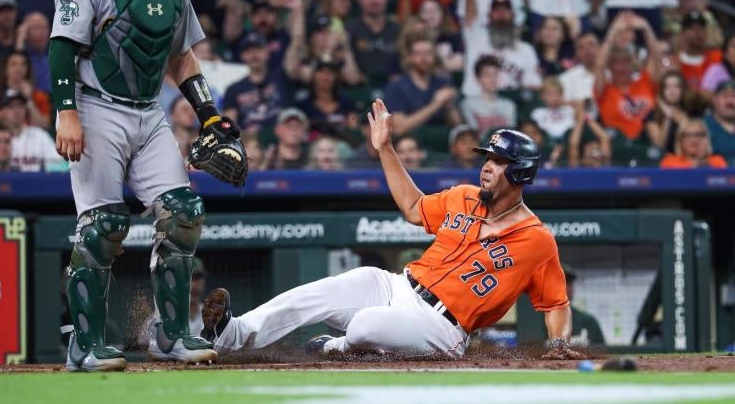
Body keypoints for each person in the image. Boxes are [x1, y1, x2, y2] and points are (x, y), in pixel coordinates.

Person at [199, 102, 581, 360]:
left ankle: (338, 346)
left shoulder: (537, 239)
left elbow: (556, 304)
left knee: (366, 323)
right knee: (323, 291)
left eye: (499, 162)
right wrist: (385, 149)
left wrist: (560, 342)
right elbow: (414, 208)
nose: (487, 166)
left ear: (520, 172)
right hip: (399, 286)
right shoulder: (463, 196)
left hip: (440, 327)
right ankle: (231, 333)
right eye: (488, 158)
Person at [49, 0, 247, 371]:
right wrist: (66, 111)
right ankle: (84, 344)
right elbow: (62, 46)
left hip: (148, 110)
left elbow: (181, 56)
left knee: (184, 212)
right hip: (94, 106)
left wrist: (208, 116)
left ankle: (169, 334)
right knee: (103, 225)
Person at [594, 11, 662, 141]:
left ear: (633, 65)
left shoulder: (645, 82)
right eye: (616, 62)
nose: (621, 67)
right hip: (617, 142)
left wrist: (646, 28)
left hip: (646, 141)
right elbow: (599, 65)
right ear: (610, 66)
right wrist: (613, 30)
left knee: (653, 127)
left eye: (626, 61)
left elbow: (657, 58)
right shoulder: (604, 90)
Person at [461, 0, 541, 97]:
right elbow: (470, 81)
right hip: (482, 98)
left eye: (505, 11)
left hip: (515, 98)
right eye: (497, 11)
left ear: (513, 16)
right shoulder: (476, 44)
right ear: (489, 17)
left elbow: (534, 84)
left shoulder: (526, 50)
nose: (501, 15)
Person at [383, 32, 461, 135]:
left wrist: (449, 106)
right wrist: (436, 104)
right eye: (418, 53)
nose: (424, 58)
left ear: (434, 56)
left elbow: (458, 126)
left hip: (440, 141)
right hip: (411, 144)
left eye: (428, 53)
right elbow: (400, 128)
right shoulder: (397, 86)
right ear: (410, 57)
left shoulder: (442, 82)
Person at [222, 32, 294, 132]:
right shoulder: (233, 90)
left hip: (282, 137)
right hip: (250, 143)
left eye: (258, 50)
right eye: (249, 51)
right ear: (242, 56)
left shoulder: (282, 77)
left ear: (267, 52)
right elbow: (228, 128)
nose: (254, 55)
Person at [346, 0, 401, 90]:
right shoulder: (350, 29)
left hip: (394, 90)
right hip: (358, 89)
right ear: (360, 0)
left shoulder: (398, 30)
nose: (374, 1)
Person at [0, 89, 61, 172]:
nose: (16, 110)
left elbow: (59, 164)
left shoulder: (40, 135)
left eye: (20, 105)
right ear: (1, 111)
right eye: (11, 107)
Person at [459, 55, 517, 139]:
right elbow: (475, 136)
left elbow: (511, 137)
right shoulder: (468, 104)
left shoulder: (509, 105)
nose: (493, 79)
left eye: (496, 74)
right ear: (478, 78)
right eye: (487, 75)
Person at [0, 51, 52, 128]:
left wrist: (29, 99)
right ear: (5, 69)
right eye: (14, 64)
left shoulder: (39, 96)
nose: (19, 68)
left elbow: (44, 125)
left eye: (23, 64)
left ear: (28, 69)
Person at [675, 10, 722, 90]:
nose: (697, 32)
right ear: (682, 33)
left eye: (701, 28)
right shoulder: (674, 61)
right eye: (692, 28)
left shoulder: (718, 57)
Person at [562, 264, 605, 347]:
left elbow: (603, 354)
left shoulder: (588, 322)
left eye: (568, 282)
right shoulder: (535, 320)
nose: (566, 287)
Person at [659, 119, 727, 169]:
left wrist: (702, 161)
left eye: (699, 135)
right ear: (680, 141)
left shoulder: (717, 162)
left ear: (707, 140)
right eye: (688, 135)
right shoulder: (670, 162)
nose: (694, 140)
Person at [559, 32, 599, 115]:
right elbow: (561, 104)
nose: (587, 50)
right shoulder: (566, 78)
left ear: (600, 47)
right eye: (581, 47)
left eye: (591, 45)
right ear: (576, 53)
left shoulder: (616, 73)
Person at [530, 77, 577, 143]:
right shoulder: (537, 112)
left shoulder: (570, 109)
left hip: (568, 141)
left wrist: (566, 103)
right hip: (546, 143)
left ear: (562, 95)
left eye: (556, 94)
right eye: (549, 94)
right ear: (542, 96)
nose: (553, 98)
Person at [14, 12, 52, 94]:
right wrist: (20, 41)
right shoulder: (23, 54)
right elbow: (15, 74)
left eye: (44, 27)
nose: (42, 32)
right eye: (36, 28)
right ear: (25, 32)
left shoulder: (55, 52)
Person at [704, 80, 735, 161]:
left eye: (733, 96)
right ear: (714, 100)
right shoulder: (703, 125)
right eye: (725, 96)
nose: (730, 101)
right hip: (712, 172)